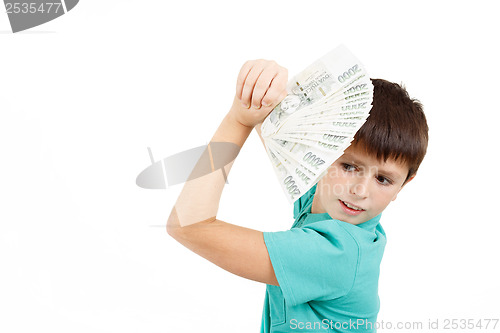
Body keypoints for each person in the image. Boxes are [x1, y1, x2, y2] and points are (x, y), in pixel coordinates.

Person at [167, 58, 429, 332]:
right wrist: (261, 95)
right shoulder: (329, 204)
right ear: (322, 152)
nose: (360, 191)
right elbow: (277, 136)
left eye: (383, 179)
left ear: (404, 184)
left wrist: (238, 120)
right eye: (349, 166)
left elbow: (188, 226)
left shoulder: (335, 251)